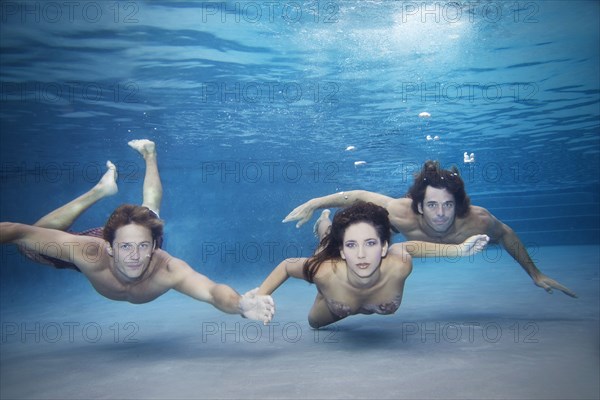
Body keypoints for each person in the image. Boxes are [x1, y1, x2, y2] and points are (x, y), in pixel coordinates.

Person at [0, 140, 275, 323]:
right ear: (111, 247)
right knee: (29, 245)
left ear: (155, 245)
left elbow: (212, 291)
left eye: (143, 247)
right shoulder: (88, 251)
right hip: (96, 245)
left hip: (137, 235)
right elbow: (15, 231)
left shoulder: (167, 268)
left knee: (151, 208)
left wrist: (240, 305)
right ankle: (99, 192)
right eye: (125, 248)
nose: (134, 256)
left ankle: (150, 154)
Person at [283, 160, 576, 298]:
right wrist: (315, 202)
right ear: (419, 205)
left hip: (408, 241)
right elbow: (360, 195)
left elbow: (507, 235)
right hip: (393, 232)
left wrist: (535, 275)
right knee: (330, 248)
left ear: (457, 205)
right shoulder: (403, 212)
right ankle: (323, 223)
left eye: (447, 205)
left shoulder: (478, 220)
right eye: (432, 205)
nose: (440, 214)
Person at [259, 202, 489, 328]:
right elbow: (288, 266)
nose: (361, 255)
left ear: (383, 247)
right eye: (350, 245)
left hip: (345, 276)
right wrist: (260, 296)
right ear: (343, 251)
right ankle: (324, 222)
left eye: (370, 243)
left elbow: (411, 247)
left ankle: (333, 231)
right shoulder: (325, 270)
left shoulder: (397, 264)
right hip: (334, 289)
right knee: (314, 321)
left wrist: (459, 249)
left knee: (336, 242)